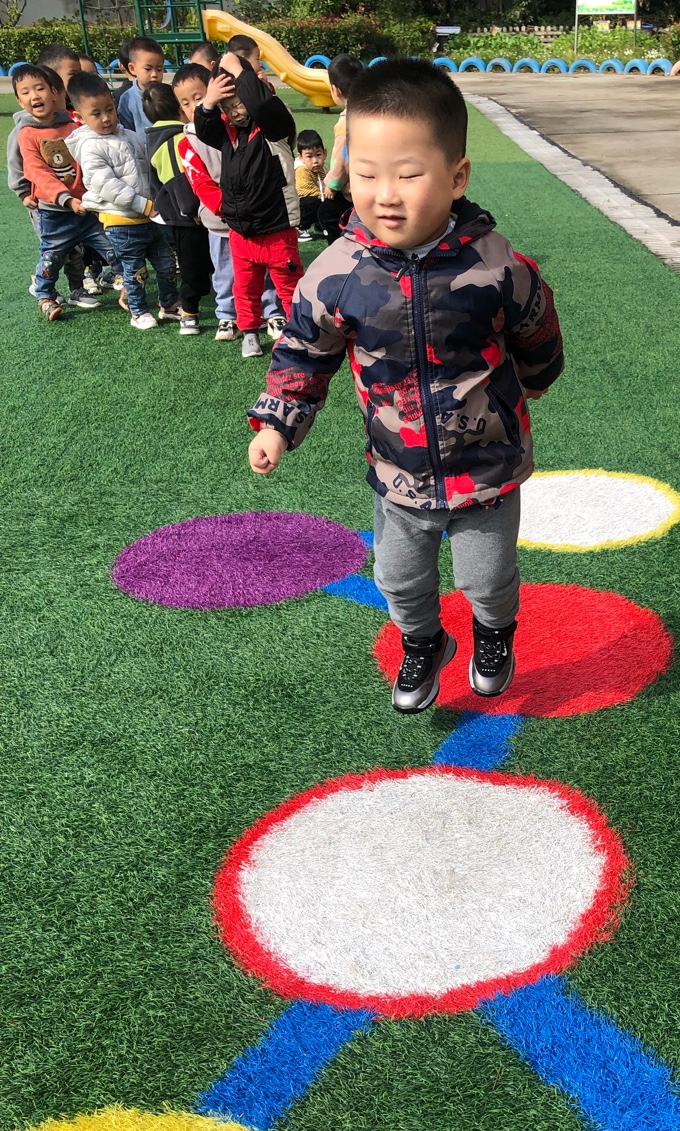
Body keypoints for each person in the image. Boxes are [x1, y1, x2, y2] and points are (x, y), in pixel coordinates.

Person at [247, 59, 564, 713]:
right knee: (396, 578)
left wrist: (537, 378)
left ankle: (494, 632)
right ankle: (424, 641)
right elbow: (304, 351)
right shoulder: (336, 274)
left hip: (487, 469)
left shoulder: (496, 265)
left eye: (408, 175)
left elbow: (536, 324)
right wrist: (278, 421)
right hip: (399, 471)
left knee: (488, 578)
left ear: (457, 177)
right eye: (366, 175)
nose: (385, 194)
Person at [194, 52, 301, 358]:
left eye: (239, 103)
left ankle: (299, 333)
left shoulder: (275, 128)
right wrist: (209, 102)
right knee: (244, 287)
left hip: (276, 227)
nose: (236, 112)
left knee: (289, 285)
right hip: (241, 231)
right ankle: (250, 331)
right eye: (228, 107)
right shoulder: (229, 133)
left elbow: (262, 106)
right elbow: (204, 129)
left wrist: (240, 71)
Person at [174, 62, 282, 343]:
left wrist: (259, 84)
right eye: (185, 103)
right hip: (220, 222)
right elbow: (200, 182)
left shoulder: (234, 126)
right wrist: (227, 207)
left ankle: (271, 311)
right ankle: (227, 315)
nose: (193, 106)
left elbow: (264, 112)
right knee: (225, 273)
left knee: (264, 269)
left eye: (199, 97)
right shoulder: (186, 143)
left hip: (255, 219)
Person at [66, 70, 179, 330]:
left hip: (149, 216)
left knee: (166, 263)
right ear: (80, 117)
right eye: (96, 114)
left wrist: (158, 198)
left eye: (109, 109)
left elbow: (147, 169)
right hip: (122, 222)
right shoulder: (90, 147)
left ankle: (169, 304)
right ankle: (139, 311)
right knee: (136, 271)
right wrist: (144, 205)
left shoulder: (129, 135)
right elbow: (108, 187)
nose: (106, 118)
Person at [16, 64, 113, 321]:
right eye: (26, 92)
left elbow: (89, 159)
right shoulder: (27, 134)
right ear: (19, 101)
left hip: (87, 207)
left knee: (112, 246)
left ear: (53, 92)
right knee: (52, 257)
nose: (34, 96)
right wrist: (66, 199)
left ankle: (126, 285)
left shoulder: (73, 127)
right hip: (55, 212)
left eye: (40, 88)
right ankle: (45, 295)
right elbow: (36, 170)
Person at [143, 81, 211, 335]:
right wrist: (192, 210)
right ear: (179, 108)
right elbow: (178, 180)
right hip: (188, 217)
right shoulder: (174, 140)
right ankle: (189, 313)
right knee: (193, 267)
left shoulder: (157, 138)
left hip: (183, 215)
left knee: (200, 264)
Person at [319, 52, 363, 241]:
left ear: (335, 90)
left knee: (326, 213)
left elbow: (343, 159)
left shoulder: (345, 123)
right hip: (368, 184)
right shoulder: (369, 113)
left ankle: (339, 247)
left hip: (350, 191)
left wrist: (332, 185)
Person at [115, 36, 165, 137]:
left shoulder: (168, 94)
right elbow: (127, 132)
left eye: (159, 69)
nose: (154, 74)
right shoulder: (127, 99)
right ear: (132, 69)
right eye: (148, 69)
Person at [294, 129, 327, 241]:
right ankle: (299, 227)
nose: (315, 160)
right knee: (313, 201)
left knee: (328, 200)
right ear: (300, 157)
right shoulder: (301, 169)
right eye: (309, 156)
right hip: (298, 205)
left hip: (316, 197)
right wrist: (325, 194)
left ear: (325, 153)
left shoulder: (323, 169)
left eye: (318, 155)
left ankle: (320, 225)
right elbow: (304, 190)